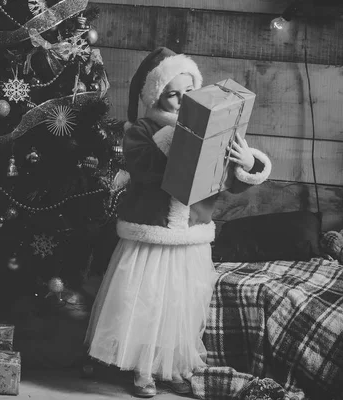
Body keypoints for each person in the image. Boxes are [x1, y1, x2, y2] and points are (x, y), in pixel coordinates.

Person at [85, 47, 271, 398]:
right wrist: (182, 137)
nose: (182, 99)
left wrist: (247, 161)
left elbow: (232, 182)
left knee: (180, 304)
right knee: (145, 301)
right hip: (151, 232)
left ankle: (169, 366)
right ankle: (141, 368)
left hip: (191, 233)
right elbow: (144, 167)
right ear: (158, 96)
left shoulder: (216, 130)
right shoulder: (142, 129)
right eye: (173, 94)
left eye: (189, 93)